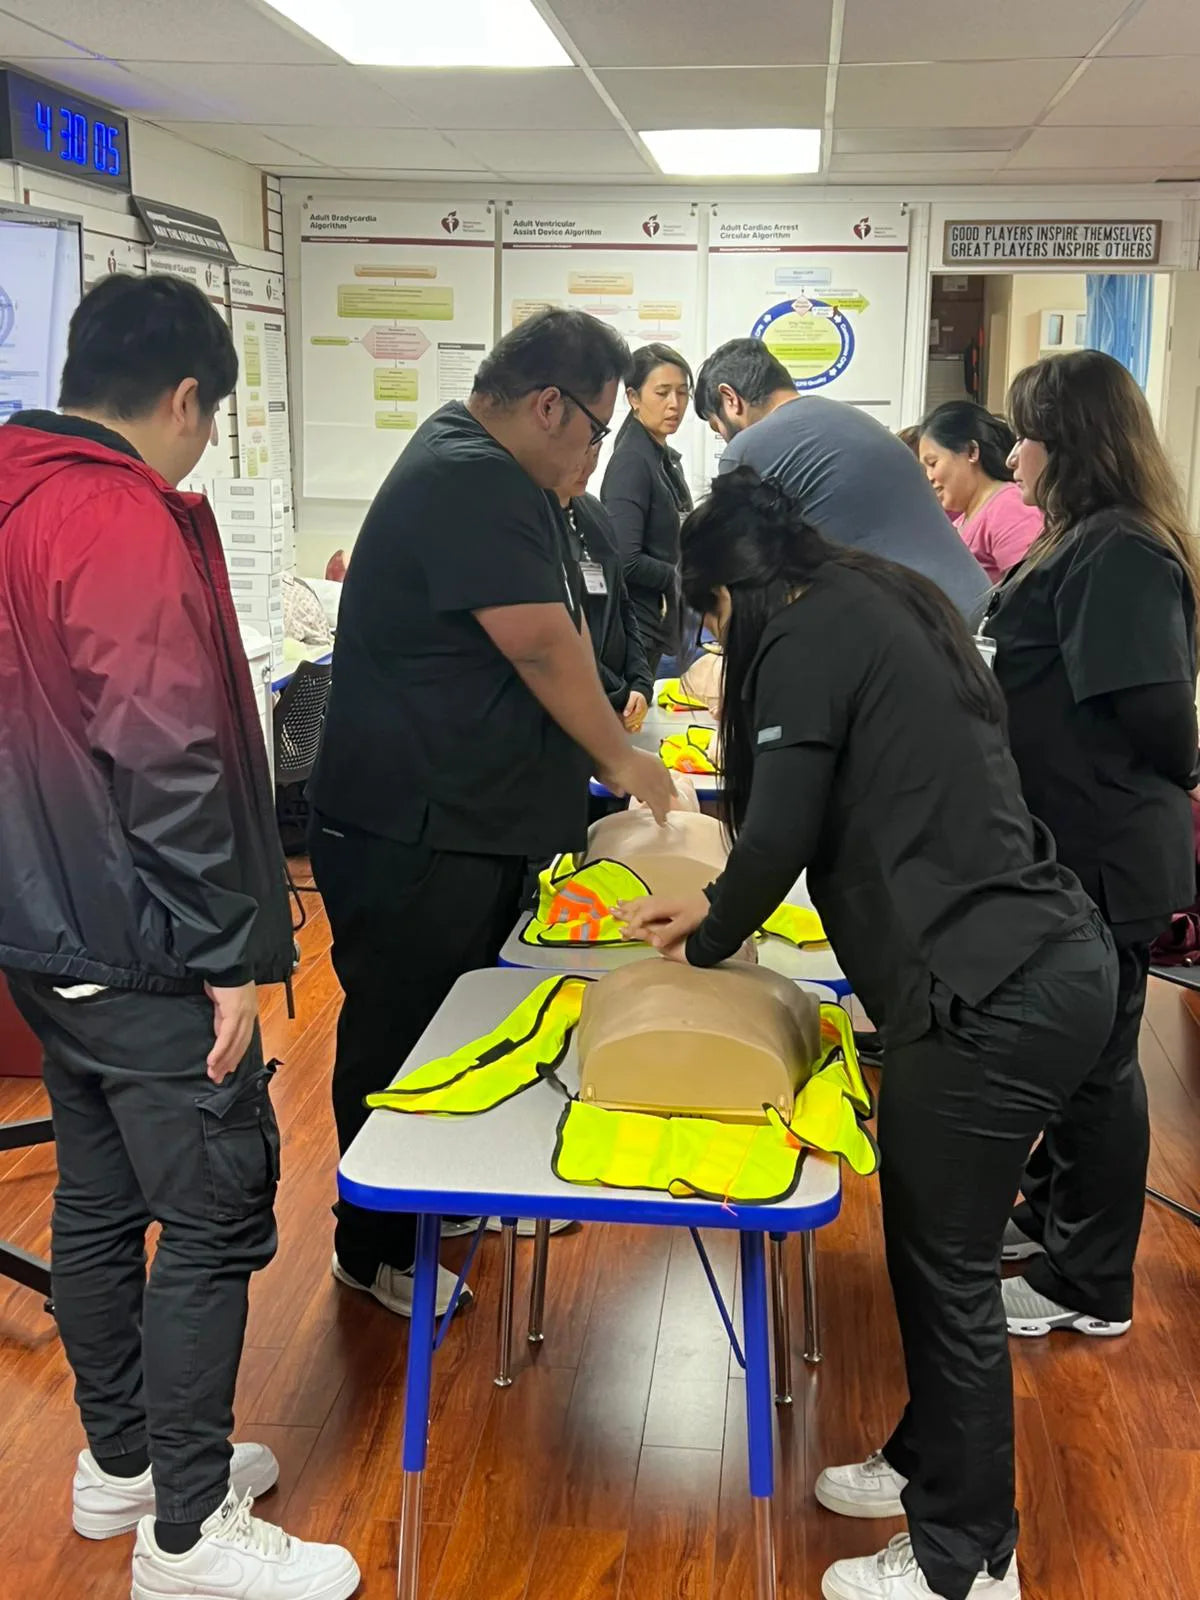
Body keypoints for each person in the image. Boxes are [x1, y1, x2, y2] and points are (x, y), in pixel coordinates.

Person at [619, 467, 1118, 1600]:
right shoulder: (879, 593)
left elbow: (782, 827)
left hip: (991, 990)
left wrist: (707, 944)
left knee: (943, 1271)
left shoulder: (794, 635)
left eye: (708, 618)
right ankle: (924, 1463)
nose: (712, 637)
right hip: (1036, 956)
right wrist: (719, 907)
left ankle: (966, 1557)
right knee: (928, 1252)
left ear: (727, 599)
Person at [0, 275, 359, 1599]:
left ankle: (125, 1467)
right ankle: (192, 1536)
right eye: (210, 420)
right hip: (142, 939)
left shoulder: (15, 486)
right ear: (185, 398)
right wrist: (226, 954)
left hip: (44, 934)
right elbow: (163, 747)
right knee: (209, 1215)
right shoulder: (115, 515)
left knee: (96, 1197)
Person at [309, 309, 675, 1319]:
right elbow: (540, 645)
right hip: (412, 828)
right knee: (398, 1030)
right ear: (550, 404)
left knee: (459, 1023)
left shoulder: (510, 481)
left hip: (468, 823)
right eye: (600, 428)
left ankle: (432, 1198)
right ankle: (371, 1241)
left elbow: (573, 631)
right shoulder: (466, 473)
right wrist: (623, 761)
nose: (598, 454)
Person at [988, 350, 1199, 1340]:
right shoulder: (1078, 540)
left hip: (1107, 849)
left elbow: (1163, 719)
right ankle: (1048, 1219)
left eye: (1028, 433)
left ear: (1069, 444)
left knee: (1099, 1069)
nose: (1014, 453)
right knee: (1076, 1058)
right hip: (1071, 843)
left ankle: (1090, 1284)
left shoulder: (1119, 550)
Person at [694, 339, 990, 622]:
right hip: (972, 606)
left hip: (914, 621)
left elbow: (738, 576)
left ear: (730, 399)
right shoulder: (853, 420)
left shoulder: (747, 447)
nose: (723, 437)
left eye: (716, 426)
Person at [600, 343, 694, 672]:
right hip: (638, 628)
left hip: (660, 623)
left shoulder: (662, 457)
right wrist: (682, 575)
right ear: (633, 398)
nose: (674, 404)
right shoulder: (631, 462)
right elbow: (626, 560)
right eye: (662, 392)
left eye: (682, 393)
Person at [558, 443, 653, 734]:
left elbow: (623, 604)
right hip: (569, 705)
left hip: (614, 702)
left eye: (595, 453)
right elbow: (561, 636)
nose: (587, 466)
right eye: (578, 453)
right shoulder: (532, 523)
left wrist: (640, 682)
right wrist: (618, 691)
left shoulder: (594, 511)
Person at [919, 401, 1042, 583]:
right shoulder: (961, 521)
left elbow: (1027, 589)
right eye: (924, 469)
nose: (928, 477)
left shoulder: (1009, 507)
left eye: (933, 463)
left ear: (971, 452)